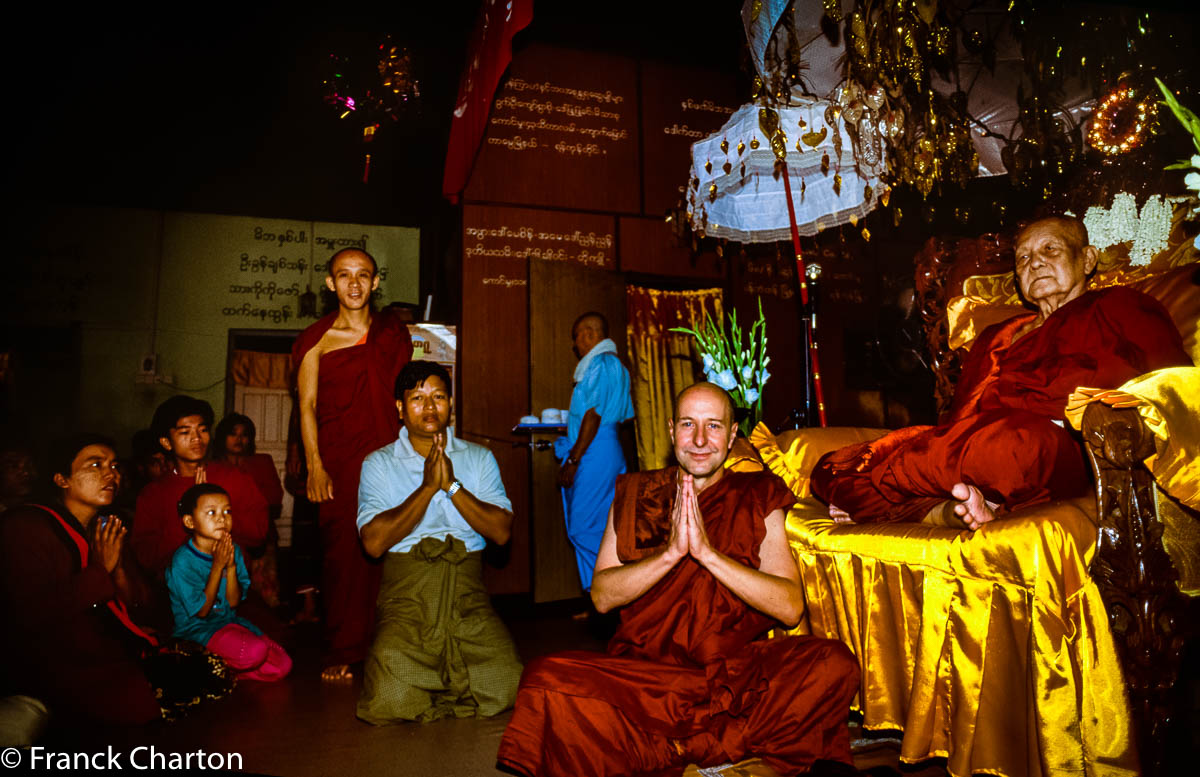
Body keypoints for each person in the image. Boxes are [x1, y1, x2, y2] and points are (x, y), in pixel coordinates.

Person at [498, 383, 860, 777]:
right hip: (650, 679)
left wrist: (707, 554)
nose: (701, 440)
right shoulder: (638, 491)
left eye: (714, 426)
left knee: (833, 663)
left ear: (732, 434)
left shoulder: (757, 493)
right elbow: (602, 595)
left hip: (732, 678)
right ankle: (720, 751)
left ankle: (674, 751)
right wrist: (671, 553)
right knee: (542, 680)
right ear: (672, 432)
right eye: (689, 424)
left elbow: (790, 608)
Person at [812, 215, 1192, 529]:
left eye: (1050, 250)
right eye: (1023, 259)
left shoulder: (1124, 307)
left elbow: (1176, 389)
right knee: (833, 467)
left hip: (1071, 447)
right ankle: (953, 510)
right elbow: (963, 416)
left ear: (1088, 259)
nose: (1035, 263)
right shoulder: (1001, 335)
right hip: (977, 445)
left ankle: (896, 498)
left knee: (1016, 443)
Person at [0, 435, 233, 725]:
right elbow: (28, 616)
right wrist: (99, 571)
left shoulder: (107, 526)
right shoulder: (24, 527)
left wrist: (117, 567)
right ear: (62, 479)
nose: (110, 474)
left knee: (212, 669)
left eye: (113, 466)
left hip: (107, 650)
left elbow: (139, 603)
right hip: (56, 663)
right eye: (95, 465)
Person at [356, 360, 521, 724]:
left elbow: (500, 531)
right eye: (417, 398)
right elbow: (373, 543)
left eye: (438, 397)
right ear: (399, 408)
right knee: (390, 695)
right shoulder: (379, 463)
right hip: (407, 598)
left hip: (467, 595)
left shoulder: (478, 458)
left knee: (507, 681)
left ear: (450, 404)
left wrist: (452, 486)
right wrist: (428, 487)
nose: (429, 407)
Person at [291, 248, 414, 681]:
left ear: (376, 282)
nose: (355, 284)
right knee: (344, 555)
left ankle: (398, 643)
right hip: (340, 462)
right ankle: (345, 645)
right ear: (330, 284)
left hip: (390, 458)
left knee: (398, 549)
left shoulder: (393, 334)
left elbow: (405, 400)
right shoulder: (316, 340)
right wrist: (315, 465)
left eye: (363, 275)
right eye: (344, 276)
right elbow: (306, 406)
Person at [132, 396, 269, 579]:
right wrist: (192, 515)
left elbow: (259, 532)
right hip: (179, 591)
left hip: (230, 585)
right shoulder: (154, 493)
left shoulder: (233, 477)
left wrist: (217, 513)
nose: (197, 438)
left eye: (202, 430)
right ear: (166, 442)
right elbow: (146, 557)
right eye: (185, 432)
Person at [166, 483, 291, 682]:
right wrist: (217, 567)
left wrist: (231, 567)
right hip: (196, 630)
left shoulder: (233, 549)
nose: (221, 518)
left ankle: (218, 672)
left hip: (227, 623)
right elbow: (202, 611)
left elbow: (233, 603)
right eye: (211, 512)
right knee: (256, 652)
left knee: (282, 664)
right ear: (190, 521)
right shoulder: (183, 561)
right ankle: (199, 662)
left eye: (227, 511)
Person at [555, 312, 633, 591]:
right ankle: (601, 594)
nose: (576, 344)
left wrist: (574, 459)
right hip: (607, 448)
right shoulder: (617, 366)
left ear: (588, 333)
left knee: (582, 527)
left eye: (576, 336)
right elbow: (623, 416)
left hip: (595, 450)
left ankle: (615, 588)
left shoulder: (599, 364)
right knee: (602, 526)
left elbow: (593, 415)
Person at [213, 413, 284, 606]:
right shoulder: (213, 468)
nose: (239, 439)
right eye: (233, 434)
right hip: (225, 535)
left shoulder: (261, 462)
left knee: (264, 598)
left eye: (244, 434)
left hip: (259, 532)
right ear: (222, 438)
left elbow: (275, 498)